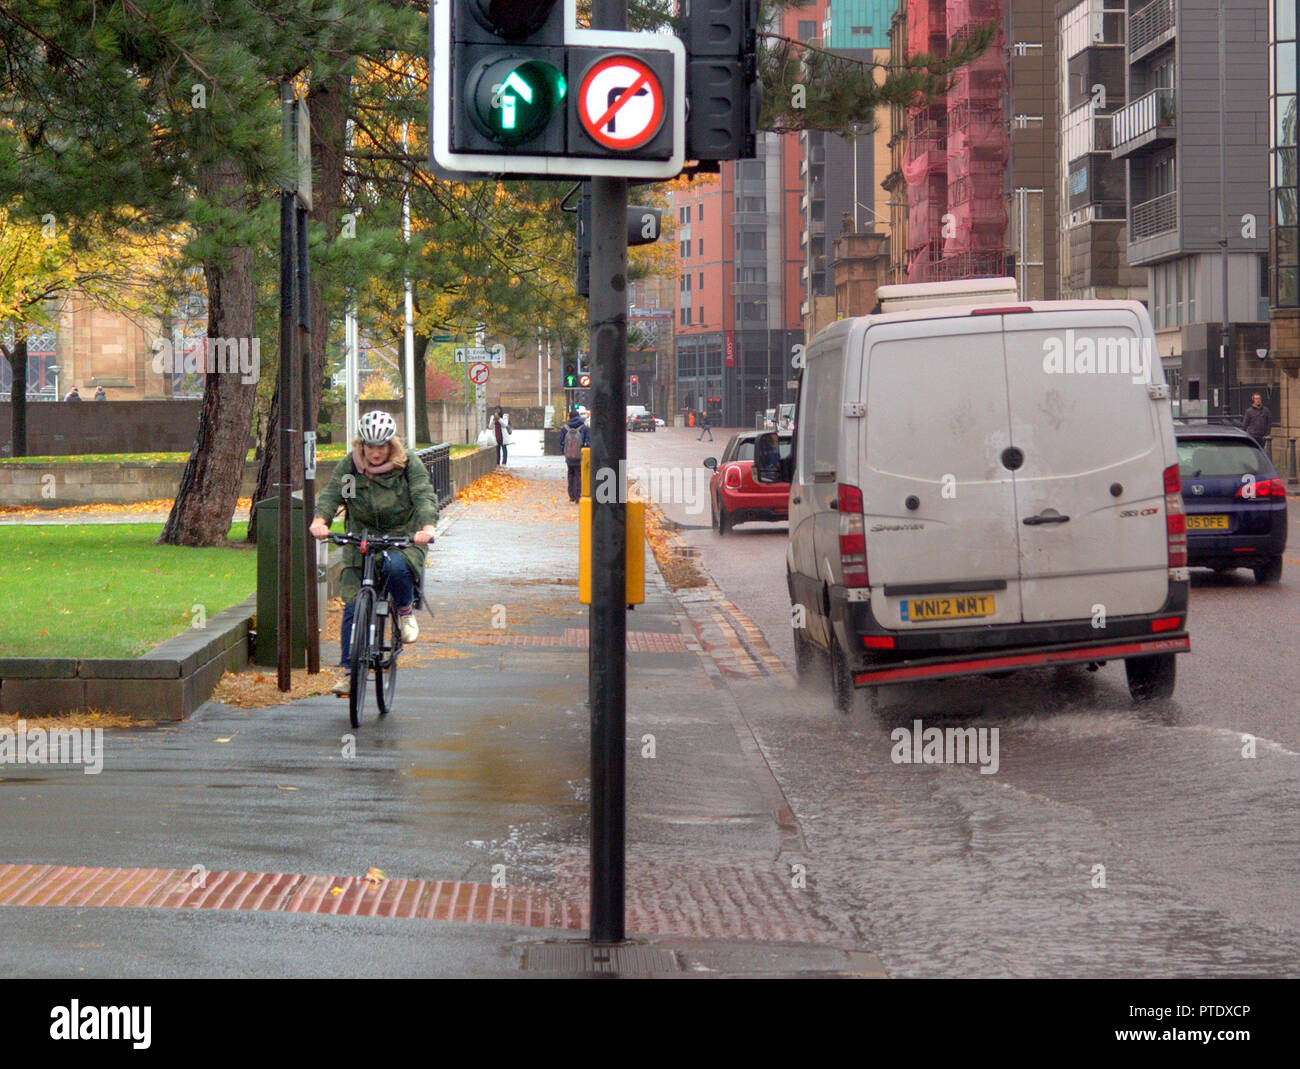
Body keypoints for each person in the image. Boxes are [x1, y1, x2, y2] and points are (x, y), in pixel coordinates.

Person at [309, 410, 438, 696]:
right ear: (362, 444)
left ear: (391, 444)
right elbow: (335, 495)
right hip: (362, 539)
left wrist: (426, 526)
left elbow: (423, 494)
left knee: (394, 567)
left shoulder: (406, 466)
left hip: (401, 537)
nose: (376, 452)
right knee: (353, 603)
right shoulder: (353, 469)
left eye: (382, 446)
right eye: (370, 446)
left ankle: (404, 610)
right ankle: (349, 672)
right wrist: (322, 521)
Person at [559, 405, 590, 503]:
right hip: (580, 456)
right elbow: (588, 442)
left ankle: (571, 495)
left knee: (570, 474)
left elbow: (561, 443)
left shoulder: (565, 428)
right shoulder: (584, 427)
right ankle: (578, 496)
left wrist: (565, 452)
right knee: (578, 475)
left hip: (569, 456)